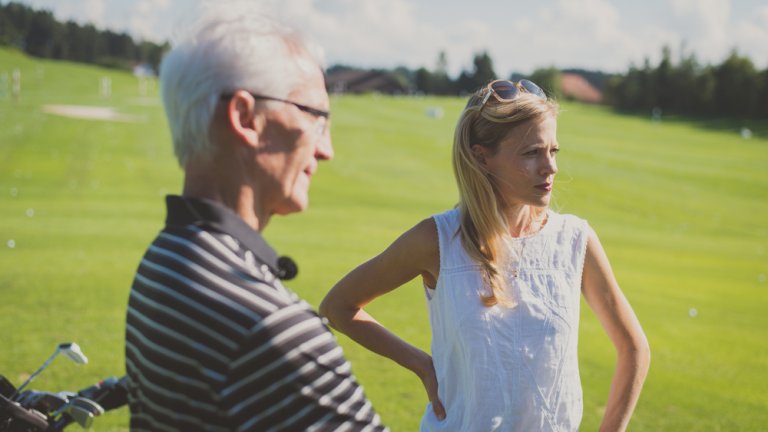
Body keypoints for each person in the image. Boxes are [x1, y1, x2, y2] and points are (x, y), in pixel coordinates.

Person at [320, 79, 651, 431]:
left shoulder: (575, 240)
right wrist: (422, 365)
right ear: (482, 157)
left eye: (553, 151)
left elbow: (634, 350)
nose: (550, 167)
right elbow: (337, 306)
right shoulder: (437, 240)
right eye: (531, 153)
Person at [124, 4, 387, 431]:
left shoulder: (165, 259)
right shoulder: (271, 328)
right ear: (245, 117)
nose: (326, 150)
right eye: (315, 117)